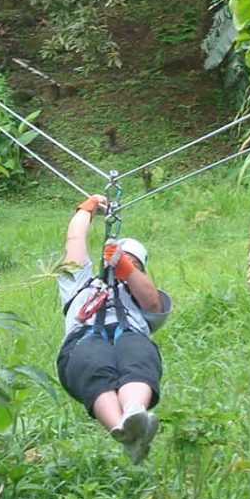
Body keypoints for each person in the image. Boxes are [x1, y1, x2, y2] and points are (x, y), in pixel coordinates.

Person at [56, 195, 172, 463]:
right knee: (93, 363)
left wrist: (126, 268)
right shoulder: (79, 284)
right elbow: (74, 242)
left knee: (136, 356)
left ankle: (134, 413)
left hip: (129, 335)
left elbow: (153, 302)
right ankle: (122, 429)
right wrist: (87, 209)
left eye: (134, 264)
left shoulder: (139, 298)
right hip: (82, 340)